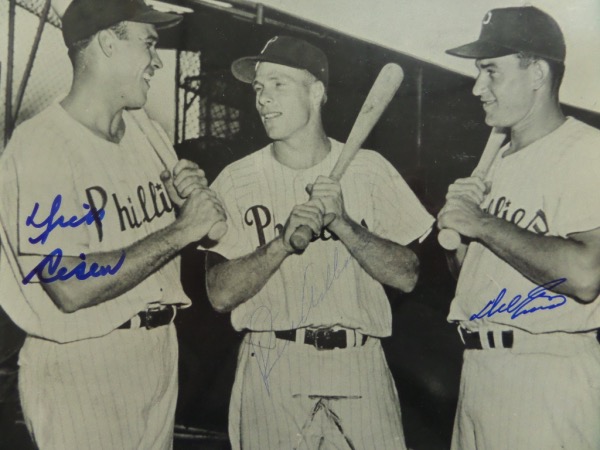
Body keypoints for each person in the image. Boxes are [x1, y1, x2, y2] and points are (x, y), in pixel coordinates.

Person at [0, 0, 225, 448]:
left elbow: (213, 229)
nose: (157, 60)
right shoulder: (43, 144)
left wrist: (195, 208)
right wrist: (180, 231)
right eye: (148, 43)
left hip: (157, 352)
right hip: (82, 363)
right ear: (107, 42)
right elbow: (69, 286)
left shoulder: (146, 131)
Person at [203, 36, 434, 449]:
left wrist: (343, 223)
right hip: (271, 360)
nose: (263, 99)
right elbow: (220, 294)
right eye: (258, 87)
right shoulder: (236, 179)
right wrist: (280, 245)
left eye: (278, 84)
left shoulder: (370, 169)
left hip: (359, 359)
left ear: (317, 92)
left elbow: (407, 276)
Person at [438, 6, 600, 449]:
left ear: (537, 73)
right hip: (479, 372)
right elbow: (476, 281)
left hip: (545, 372)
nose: (477, 87)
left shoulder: (586, 151)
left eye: (491, 71)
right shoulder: (498, 161)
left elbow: (586, 276)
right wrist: (462, 239)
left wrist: (483, 223)